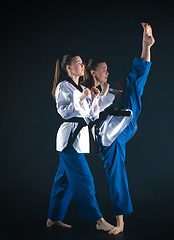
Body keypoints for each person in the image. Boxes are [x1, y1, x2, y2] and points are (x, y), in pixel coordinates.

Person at [82, 22, 155, 235]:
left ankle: (146, 46)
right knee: (116, 174)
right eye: (103, 69)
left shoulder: (108, 87)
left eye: (107, 69)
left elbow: (123, 90)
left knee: (133, 85)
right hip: (108, 138)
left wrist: (113, 92)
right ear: (93, 72)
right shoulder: (88, 91)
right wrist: (97, 95)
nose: (107, 72)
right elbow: (88, 114)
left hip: (122, 125)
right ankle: (119, 221)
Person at [46, 53, 115, 232]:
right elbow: (64, 112)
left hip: (78, 138)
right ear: (68, 67)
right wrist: (82, 98)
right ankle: (98, 221)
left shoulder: (80, 88)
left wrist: (95, 97)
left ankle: (53, 218)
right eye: (78, 63)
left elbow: (92, 115)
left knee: (64, 181)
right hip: (69, 138)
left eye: (82, 63)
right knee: (85, 180)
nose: (82, 66)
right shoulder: (64, 86)